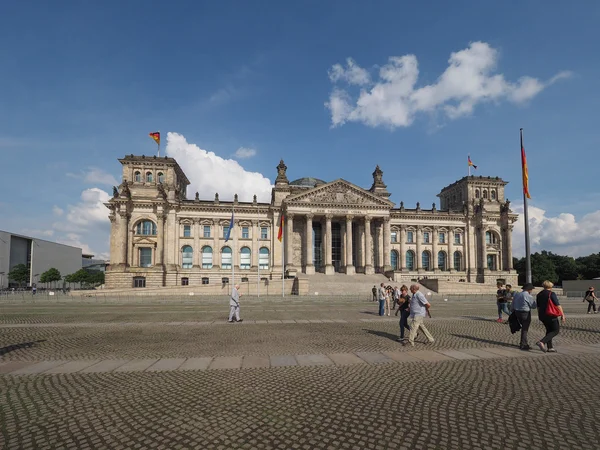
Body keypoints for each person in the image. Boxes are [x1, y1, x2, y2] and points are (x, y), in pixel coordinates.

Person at [535, 280, 565, 353]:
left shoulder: (539, 294)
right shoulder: (551, 294)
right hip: (551, 314)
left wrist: (539, 315)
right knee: (555, 330)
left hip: (542, 315)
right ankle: (542, 342)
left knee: (549, 330)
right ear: (551, 286)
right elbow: (557, 305)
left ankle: (550, 347)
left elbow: (538, 306)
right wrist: (562, 315)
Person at [511, 283, 536, 350]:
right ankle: (523, 344)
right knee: (525, 329)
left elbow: (512, 303)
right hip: (525, 313)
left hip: (517, 312)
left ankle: (524, 343)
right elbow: (533, 306)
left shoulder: (517, 294)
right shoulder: (528, 296)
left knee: (523, 327)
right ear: (529, 289)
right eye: (531, 289)